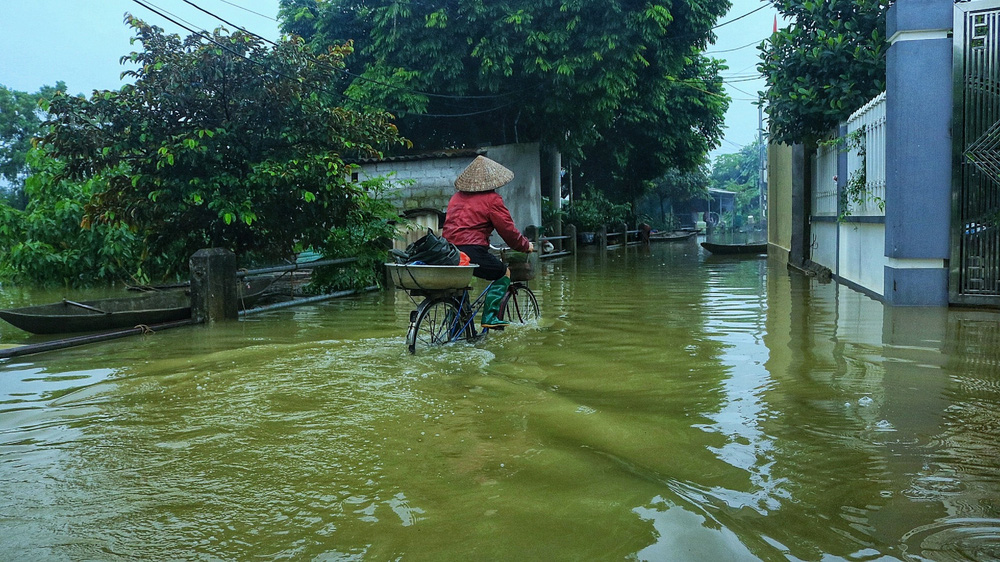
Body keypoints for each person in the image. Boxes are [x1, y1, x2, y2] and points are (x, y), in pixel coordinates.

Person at [442, 155, 534, 328]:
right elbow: (508, 231)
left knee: (459, 287)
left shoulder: (455, 198)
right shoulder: (492, 200)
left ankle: (457, 329)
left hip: (448, 251)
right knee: (503, 272)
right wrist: (525, 245)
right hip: (472, 251)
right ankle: (490, 318)